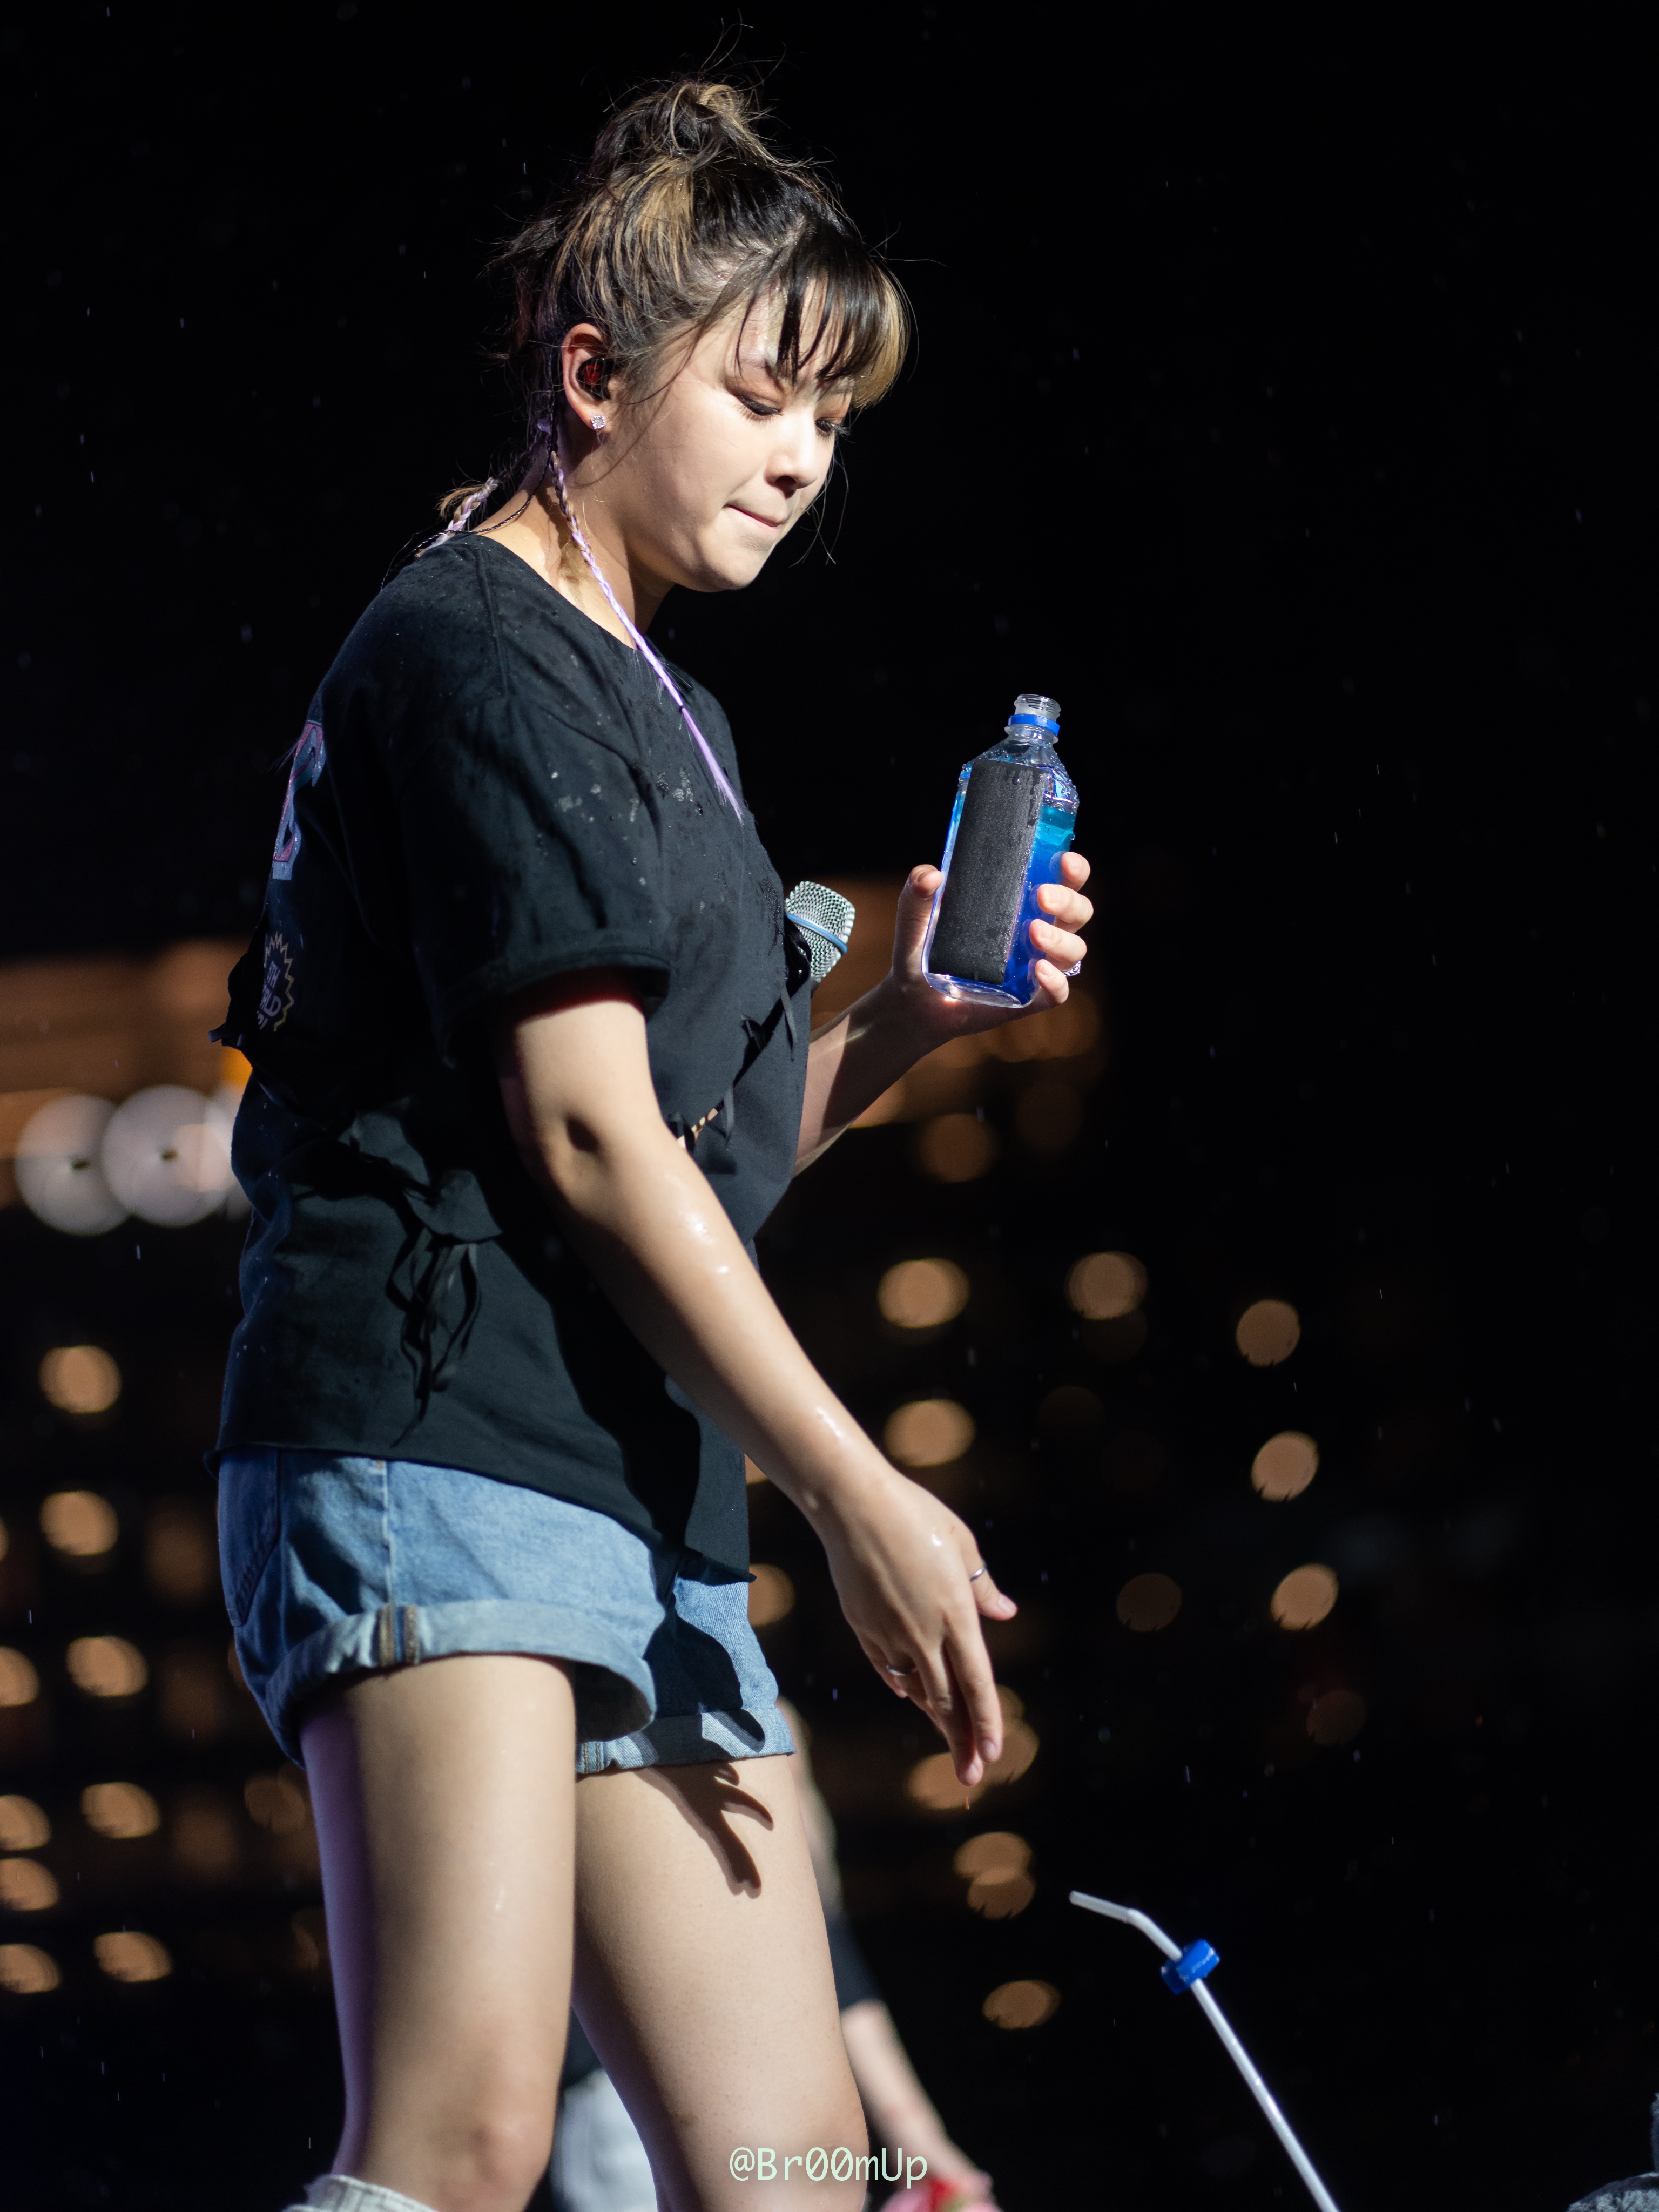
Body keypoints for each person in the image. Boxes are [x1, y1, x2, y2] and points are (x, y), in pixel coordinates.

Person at [211, 77, 1092, 2212]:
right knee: (461, 2142)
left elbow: (702, 1141)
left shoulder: (674, 714)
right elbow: (591, 1138)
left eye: (834, 420)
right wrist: (856, 1485)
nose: (804, 458)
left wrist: (905, 1019)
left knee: (791, 2166)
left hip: (638, 1483)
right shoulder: (472, 644)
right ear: (596, 377)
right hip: (436, 1438)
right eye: (763, 397)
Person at [550, 1701, 998, 2212]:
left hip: (672, 2094)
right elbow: (842, 1990)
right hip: (652, 2097)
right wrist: (919, 2142)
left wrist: (919, 2144)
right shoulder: (716, 1722)